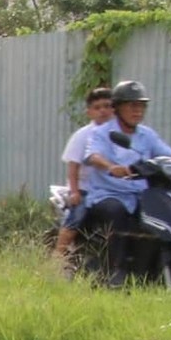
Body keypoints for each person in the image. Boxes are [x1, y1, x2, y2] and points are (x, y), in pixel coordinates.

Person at [77, 80, 171, 285]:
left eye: (141, 105)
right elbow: (93, 155)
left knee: (159, 215)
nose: (137, 110)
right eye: (132, 105)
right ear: (118, 107)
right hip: (108, 193)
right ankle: (116, 271)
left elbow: (168, 154)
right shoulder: (103, 132)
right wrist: (111, 167)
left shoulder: (147, 134)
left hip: (141, 194)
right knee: (116, 211)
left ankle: (148, 271)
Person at [54, 87, 115, 267]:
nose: (103, 110)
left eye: (107, 106)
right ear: (89, 112)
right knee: (78, 213)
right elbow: (73, 167)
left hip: (112, 188)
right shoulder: (82, 136)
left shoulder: (120, 134)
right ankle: (58, 255)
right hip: (85, 188)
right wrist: (74, 192)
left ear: (115, 109)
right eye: (97, 107)